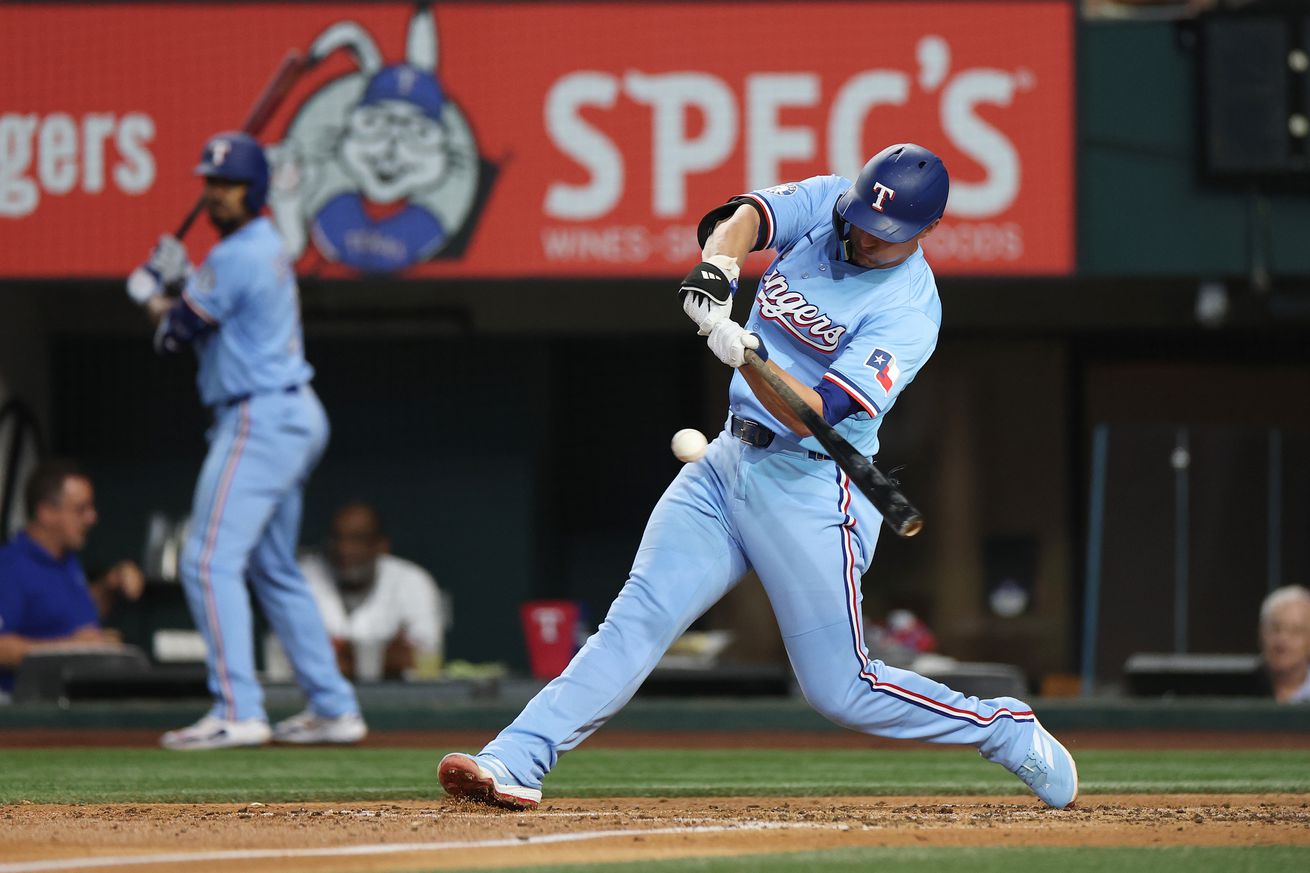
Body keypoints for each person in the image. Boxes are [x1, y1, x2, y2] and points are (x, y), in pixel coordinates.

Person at [438, 144, 1078, 811]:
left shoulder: (910, 310)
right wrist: (717, 268)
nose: (864, 236)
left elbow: (815, 416)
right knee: (636, 618)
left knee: (842, 689)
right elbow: (746, 217)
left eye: (885, 234)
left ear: (925, 231)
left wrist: (748, 355)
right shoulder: (832, 202)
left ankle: (1002, 728)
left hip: (814, 487)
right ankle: (516, 756)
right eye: (863, 219)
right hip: (725, 465)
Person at [124, 131, 365, 749]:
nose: (215, 194)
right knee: (272, 567)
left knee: (207, 559)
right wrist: (177, 286)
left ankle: (238, 709)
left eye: (228, 184)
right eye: (210, 182)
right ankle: (334, 707)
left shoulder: (237, 256)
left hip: (260, 418)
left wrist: (152, 289)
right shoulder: (253, 248)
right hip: (286, 414)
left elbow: (174, 335)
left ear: (254, 189)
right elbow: (200, 324)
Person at [0, 460, 144, 695]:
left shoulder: (66, 560)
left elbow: (72, 616)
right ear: (47, 513)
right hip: (27, 713)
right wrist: (74, 650)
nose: (92, 518)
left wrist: (109, 585)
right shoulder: (9, 566)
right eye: (80, 509)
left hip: (77, 701)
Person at [266, 502, 446, 682]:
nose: (344, 549)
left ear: (380, 545)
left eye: (357, 539)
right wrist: (381, 657)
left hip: (395, 704)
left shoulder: (412, 580)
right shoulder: (302, 578)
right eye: (337, 538)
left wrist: (342, 656)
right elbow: (286, 658)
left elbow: (423, 660)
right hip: (315, 703)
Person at [1259, 585, 1310, 704]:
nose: (1282, 640)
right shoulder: (1235, 690)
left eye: (1296, 631)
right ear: (1261, 634)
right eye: (1275, 628)